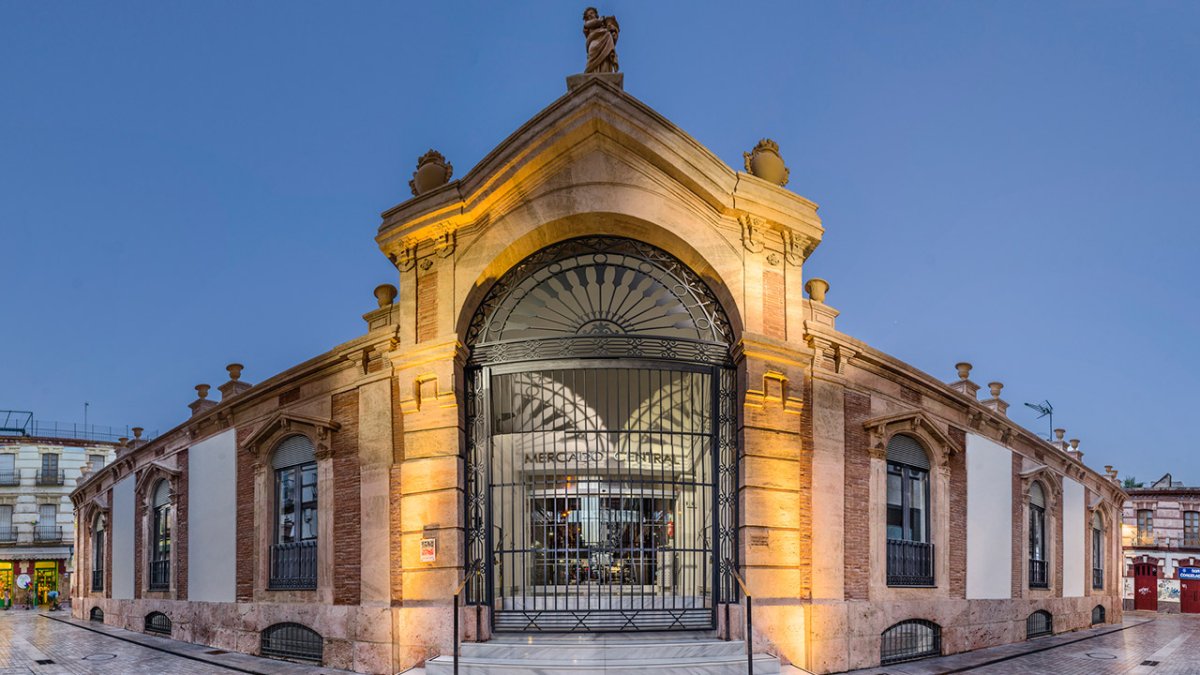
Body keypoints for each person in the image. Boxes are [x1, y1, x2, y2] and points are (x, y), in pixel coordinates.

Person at [582, 7, 619, 74]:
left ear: (596, 14)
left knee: (605, 62)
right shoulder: (588, 24)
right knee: (592, 60)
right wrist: (602, 20)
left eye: (592, 13)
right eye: (588, 14)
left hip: (605, 43)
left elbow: (613, 39)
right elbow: (594, 23)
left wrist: (613, 29)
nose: (590, 15)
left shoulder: (604, 27)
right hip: (594, 43)